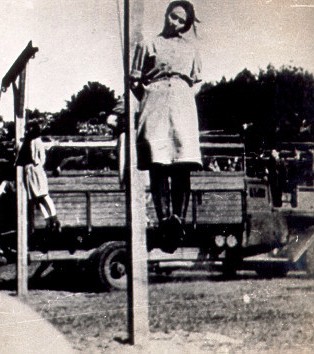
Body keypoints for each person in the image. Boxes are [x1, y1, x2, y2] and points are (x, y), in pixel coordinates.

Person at [130, 1, 202, 252]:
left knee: (183, 163)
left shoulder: (191, 48)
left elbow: (197, 81)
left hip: (182, 103)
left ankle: (178, 223)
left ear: (186, 24)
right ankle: (163, 222)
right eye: (173, 17)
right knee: (158, 163)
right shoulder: (149, 44)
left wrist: (184, 96)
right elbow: (135, 80)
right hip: (156, 101)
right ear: (166, 15)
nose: (175, 23)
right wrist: (150, 97)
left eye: (181, 21)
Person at [15, 121, 61, 233]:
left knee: (44, 194)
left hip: (36, 169)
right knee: (36, 198)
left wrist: (39, 165)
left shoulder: (37, 141)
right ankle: (48, 220)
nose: (28, 130)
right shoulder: (25, 142)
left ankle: (54, 218)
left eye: (30, 128)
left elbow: (43, 157)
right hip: (28, 171)